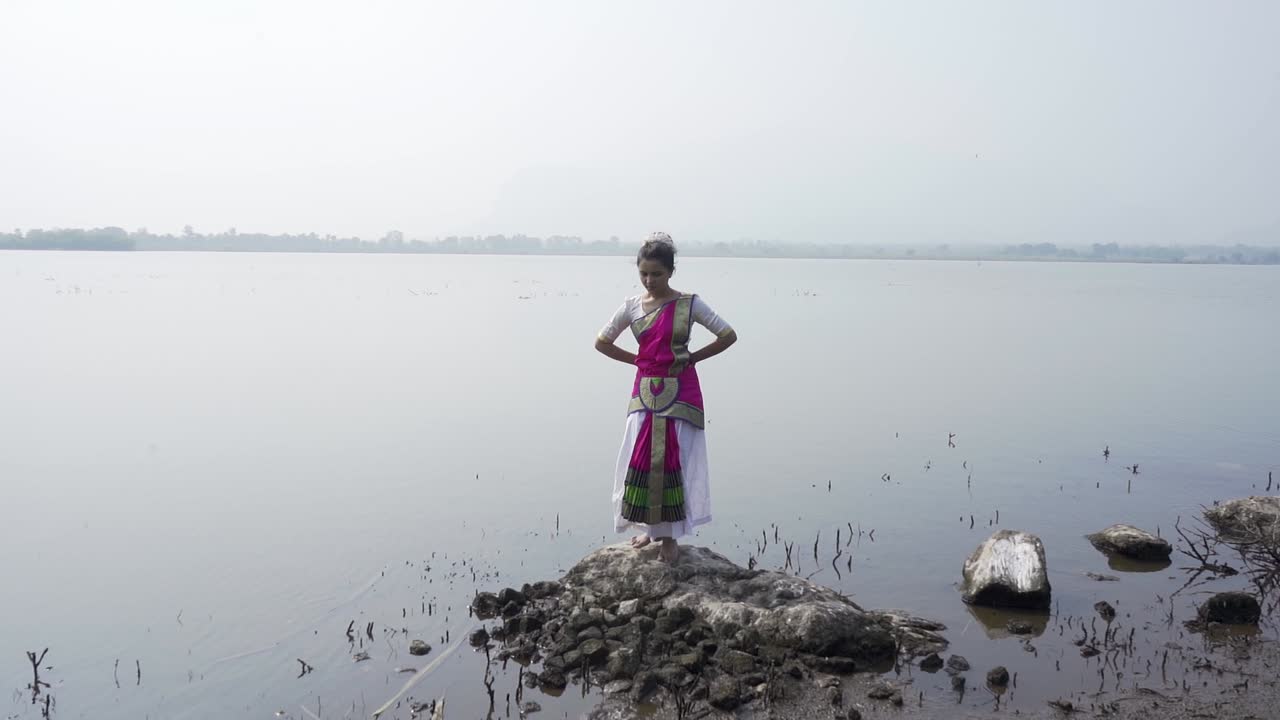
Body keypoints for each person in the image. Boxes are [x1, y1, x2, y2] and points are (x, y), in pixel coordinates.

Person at [594, 232, 738, 563]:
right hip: (645, 391)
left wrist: (694, 357)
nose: (649, 280)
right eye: (643, 273)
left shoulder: (689, 304)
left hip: (681, 390)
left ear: (671, 272)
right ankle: (650, 528)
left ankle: (670, 536)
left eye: (656, 274)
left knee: (676, 460)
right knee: (642, 459)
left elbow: (727, 335)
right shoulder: (631, 306)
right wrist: (636, 361)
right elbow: (602, 342)